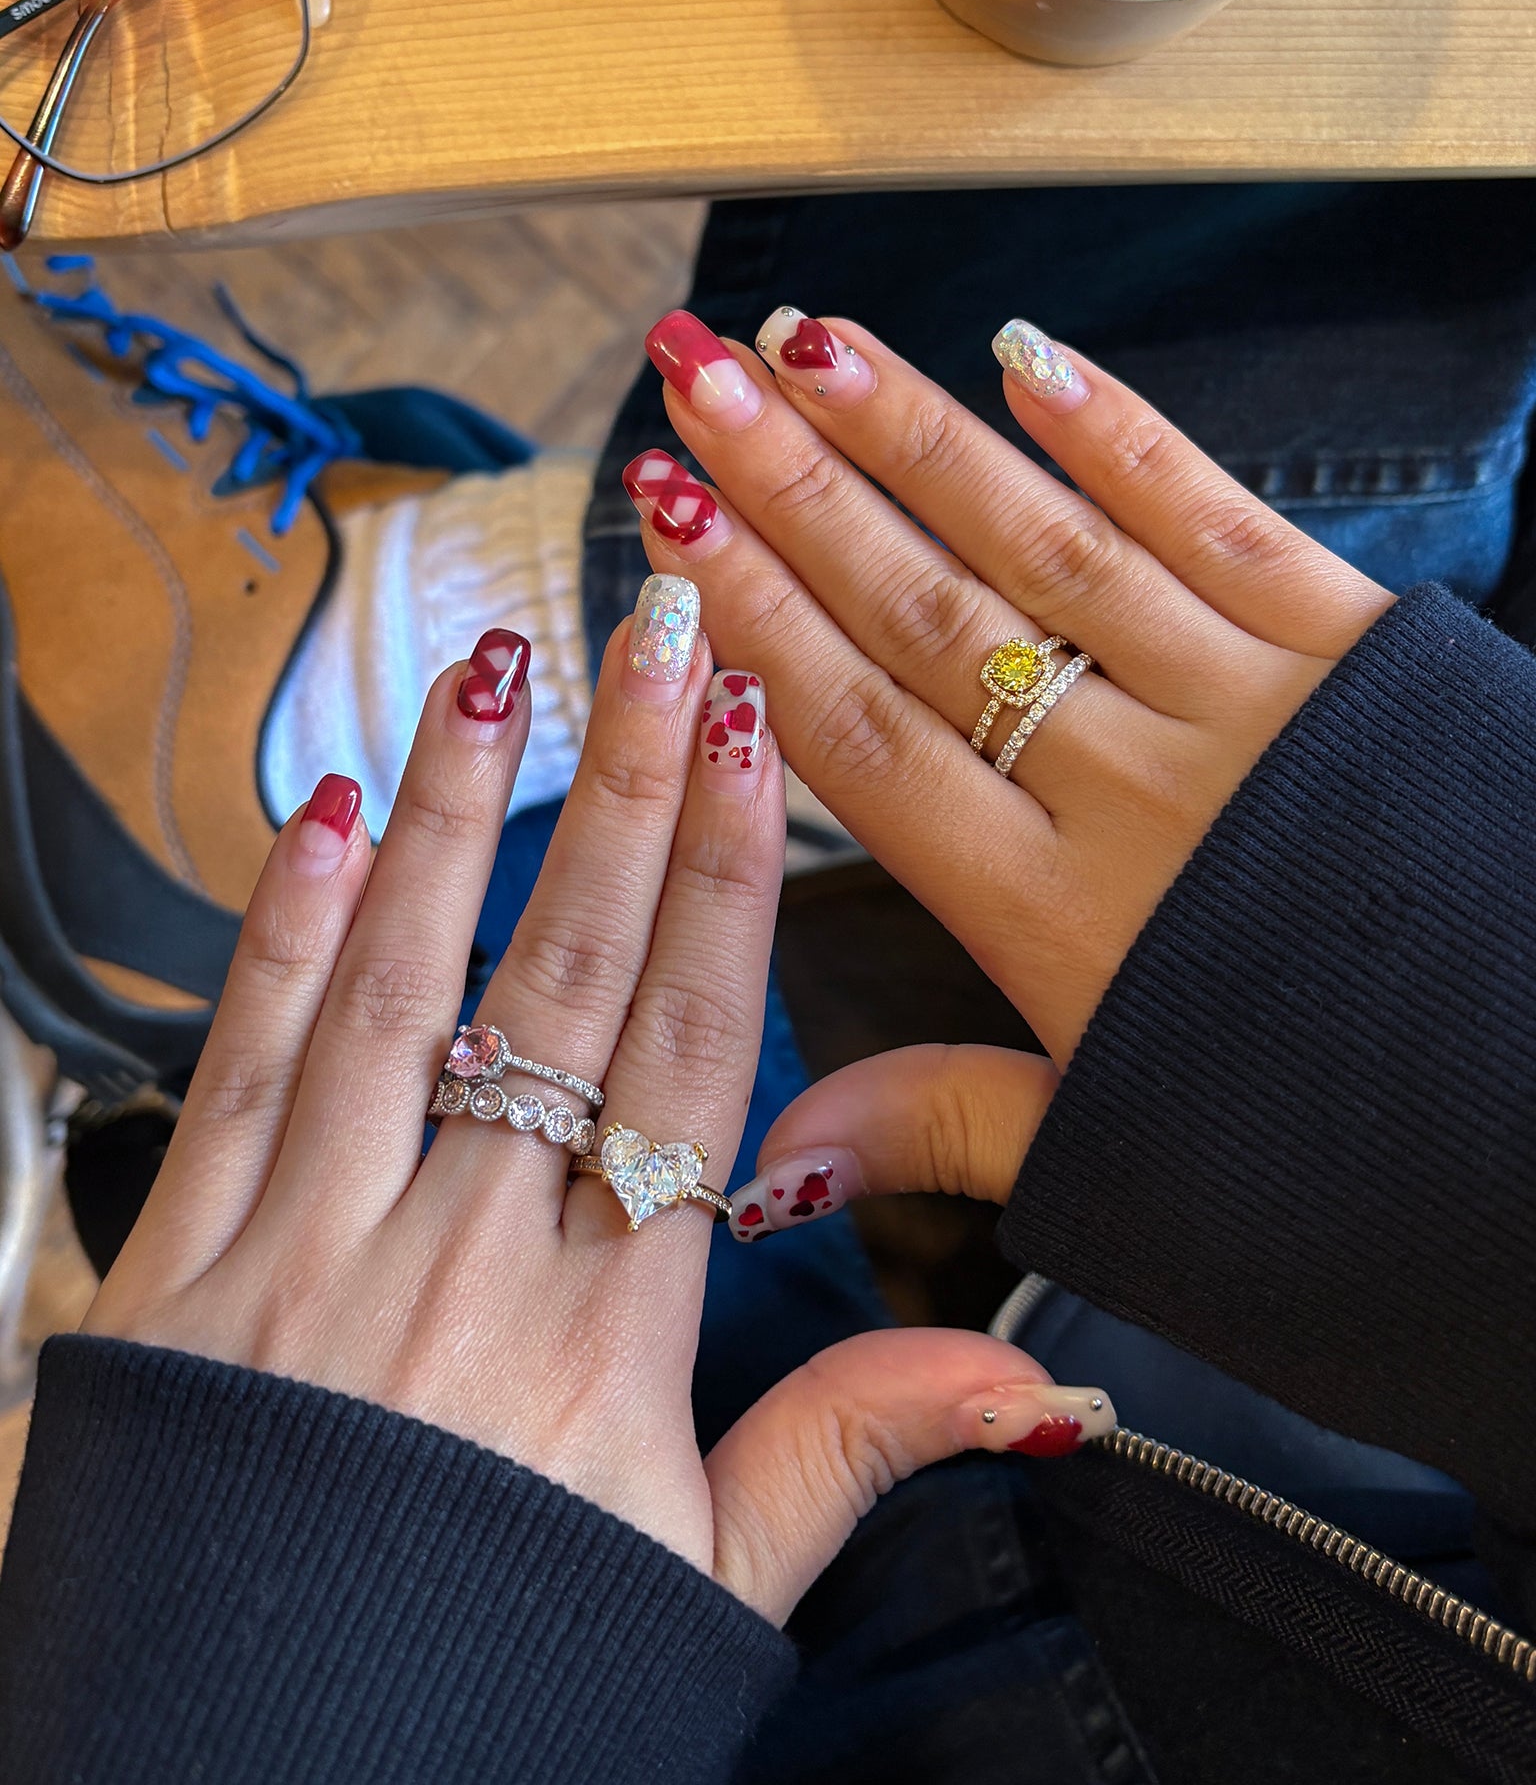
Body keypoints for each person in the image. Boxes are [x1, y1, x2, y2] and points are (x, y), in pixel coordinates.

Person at [2, 296, 1535, 1782]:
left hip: (822, 1686)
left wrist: (313, 1661)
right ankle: (526, 595)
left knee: (445, 996)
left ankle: (366, 713)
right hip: (1294, 1449)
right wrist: (1485, 1131)